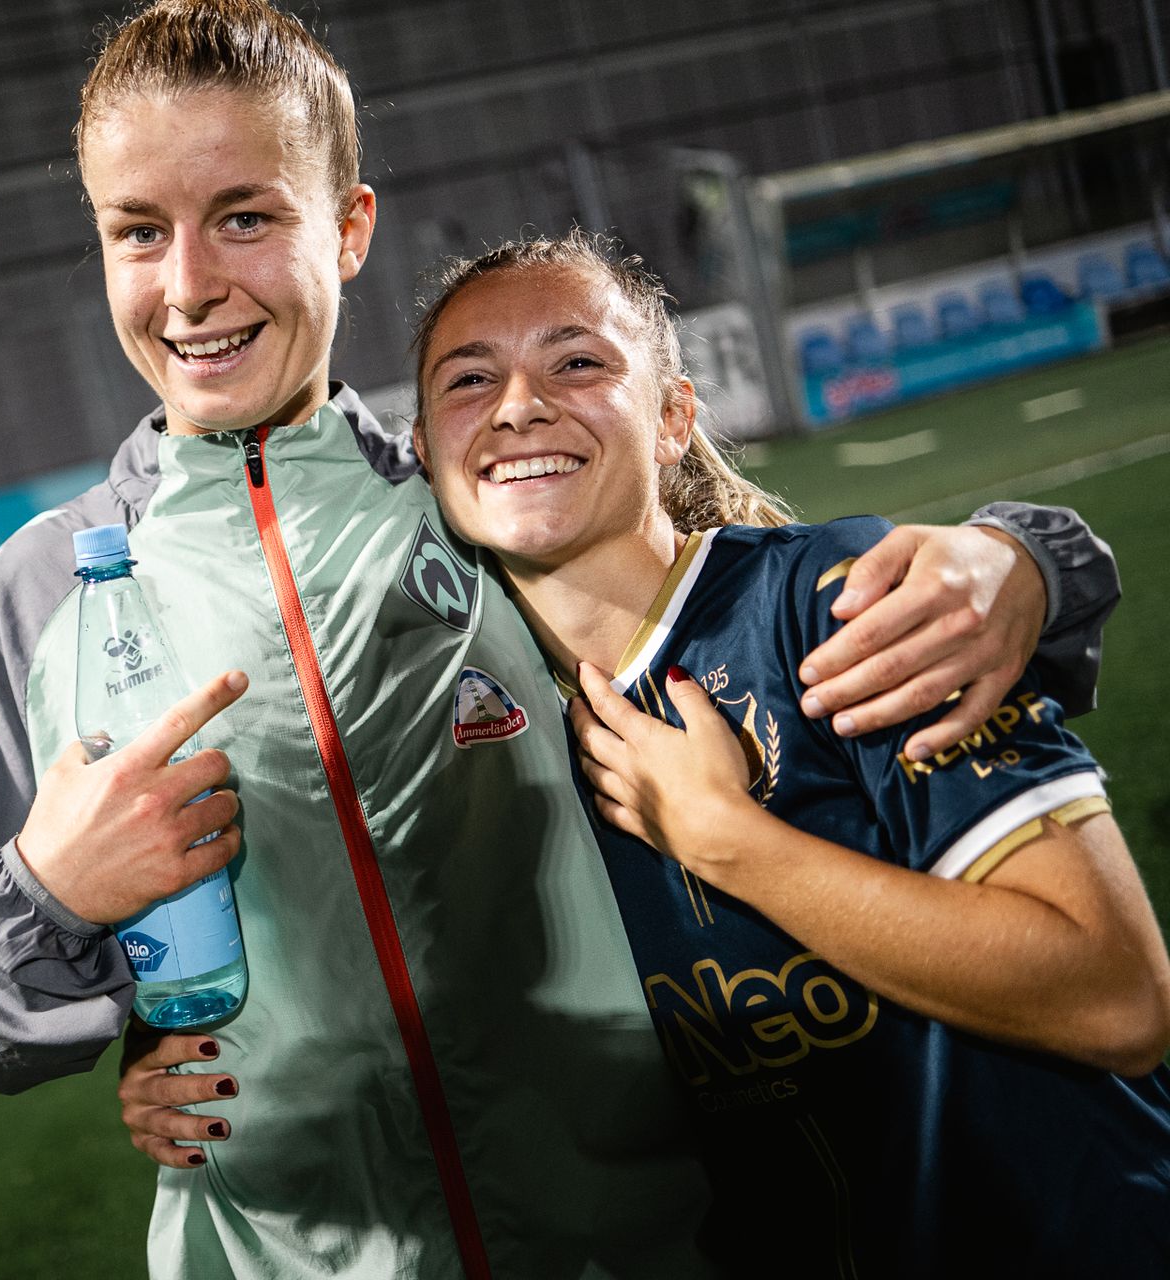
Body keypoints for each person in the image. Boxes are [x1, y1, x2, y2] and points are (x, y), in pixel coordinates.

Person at [0, 3, 1120, 1276]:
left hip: (646, 1247)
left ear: (348, 228)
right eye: (139, 231)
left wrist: (1031, 559)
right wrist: (56, 896)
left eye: (245, 216)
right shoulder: (35, 599)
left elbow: (763, 597)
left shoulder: (476, 498)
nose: (190, 283)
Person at [401, 227, 1170, 1275]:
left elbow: (1116, 992)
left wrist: (729, 841)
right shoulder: (479, 744)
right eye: (470, 378)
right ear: (422, 447)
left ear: (675, 416)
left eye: (576, 361)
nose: (518, 403)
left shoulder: (842, 606)